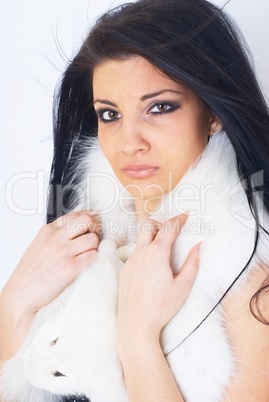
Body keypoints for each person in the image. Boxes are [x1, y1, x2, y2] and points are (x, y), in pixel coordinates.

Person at [1, 0, 269, 401]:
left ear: (213, 112)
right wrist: (14, 302)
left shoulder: (249, 271)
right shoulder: (75, 244)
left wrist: (138, 335)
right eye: (109, 115)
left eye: (159, 107)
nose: (129, 143)